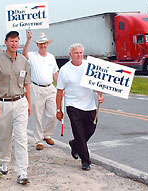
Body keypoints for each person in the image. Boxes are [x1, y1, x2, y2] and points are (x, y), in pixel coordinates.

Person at [0, 31, 31, 185]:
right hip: (2, 103)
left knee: (21, 138)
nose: (14, 43)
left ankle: (22, 172)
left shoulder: (23, 61)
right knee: (4, 136)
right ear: (6, 42)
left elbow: (27, 84)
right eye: (12, 41)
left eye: (17, 41)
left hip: (20, 101)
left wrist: (29, 103)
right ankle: (4, 161)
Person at [56, 43, 104, 171]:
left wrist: (100, 95)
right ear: (70, 55)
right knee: (79, 133)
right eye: (76, 53)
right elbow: (59, 91)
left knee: (90, 129)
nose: (79, 55)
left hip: (89, 105)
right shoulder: (65, 70)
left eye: (81, 53)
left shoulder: (88, 67)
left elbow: (98, 83)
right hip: (73, 105)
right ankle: (86, 161)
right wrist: (58, 110)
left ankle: (75, 144)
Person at [23, 31, 59, 150]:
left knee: (54, 114)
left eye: (44, 44)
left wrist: (60, 86)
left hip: (50, 88)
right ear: (37, 45)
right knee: (37, 116)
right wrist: (28, 39)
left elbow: (55, 73)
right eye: (40, 44)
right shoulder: (32, 55)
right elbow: (23, 55)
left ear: (47, 44)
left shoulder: (51, 57)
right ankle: (38, 140)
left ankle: (47, 134)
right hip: (36, 88)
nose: (43, 46)